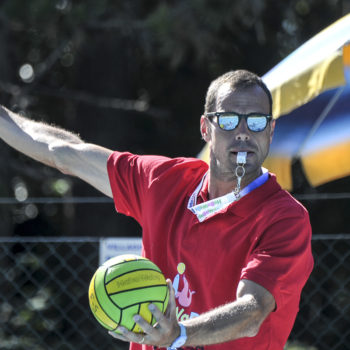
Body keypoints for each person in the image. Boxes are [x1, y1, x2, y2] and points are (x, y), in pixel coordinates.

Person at [0, 69, 313, 350]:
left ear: (270, 131)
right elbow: (64, 153)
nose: (243, 132)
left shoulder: (285, 218)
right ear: (206, 128)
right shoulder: (165, 182)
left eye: (256, 122)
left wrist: (180, 335)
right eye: (229, 120)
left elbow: (253, 310)